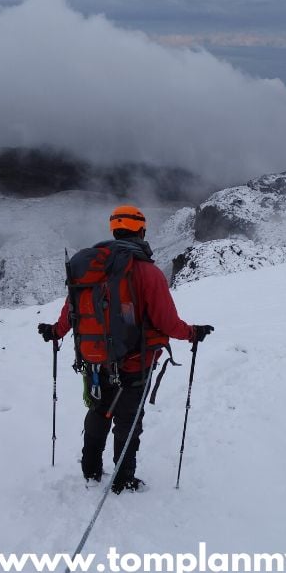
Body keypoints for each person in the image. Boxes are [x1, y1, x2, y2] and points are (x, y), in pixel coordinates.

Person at [38, 205, 213, 494]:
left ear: (114, 230)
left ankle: (90, 469)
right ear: (141, 231)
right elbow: (166, 322)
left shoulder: (90, 268)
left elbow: (73, 309)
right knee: (128, 421)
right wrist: (192, 333)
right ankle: (123, 479)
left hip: (95, 361)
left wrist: (55, 332)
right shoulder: (147, 272)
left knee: (99, 411)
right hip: (134, 362)